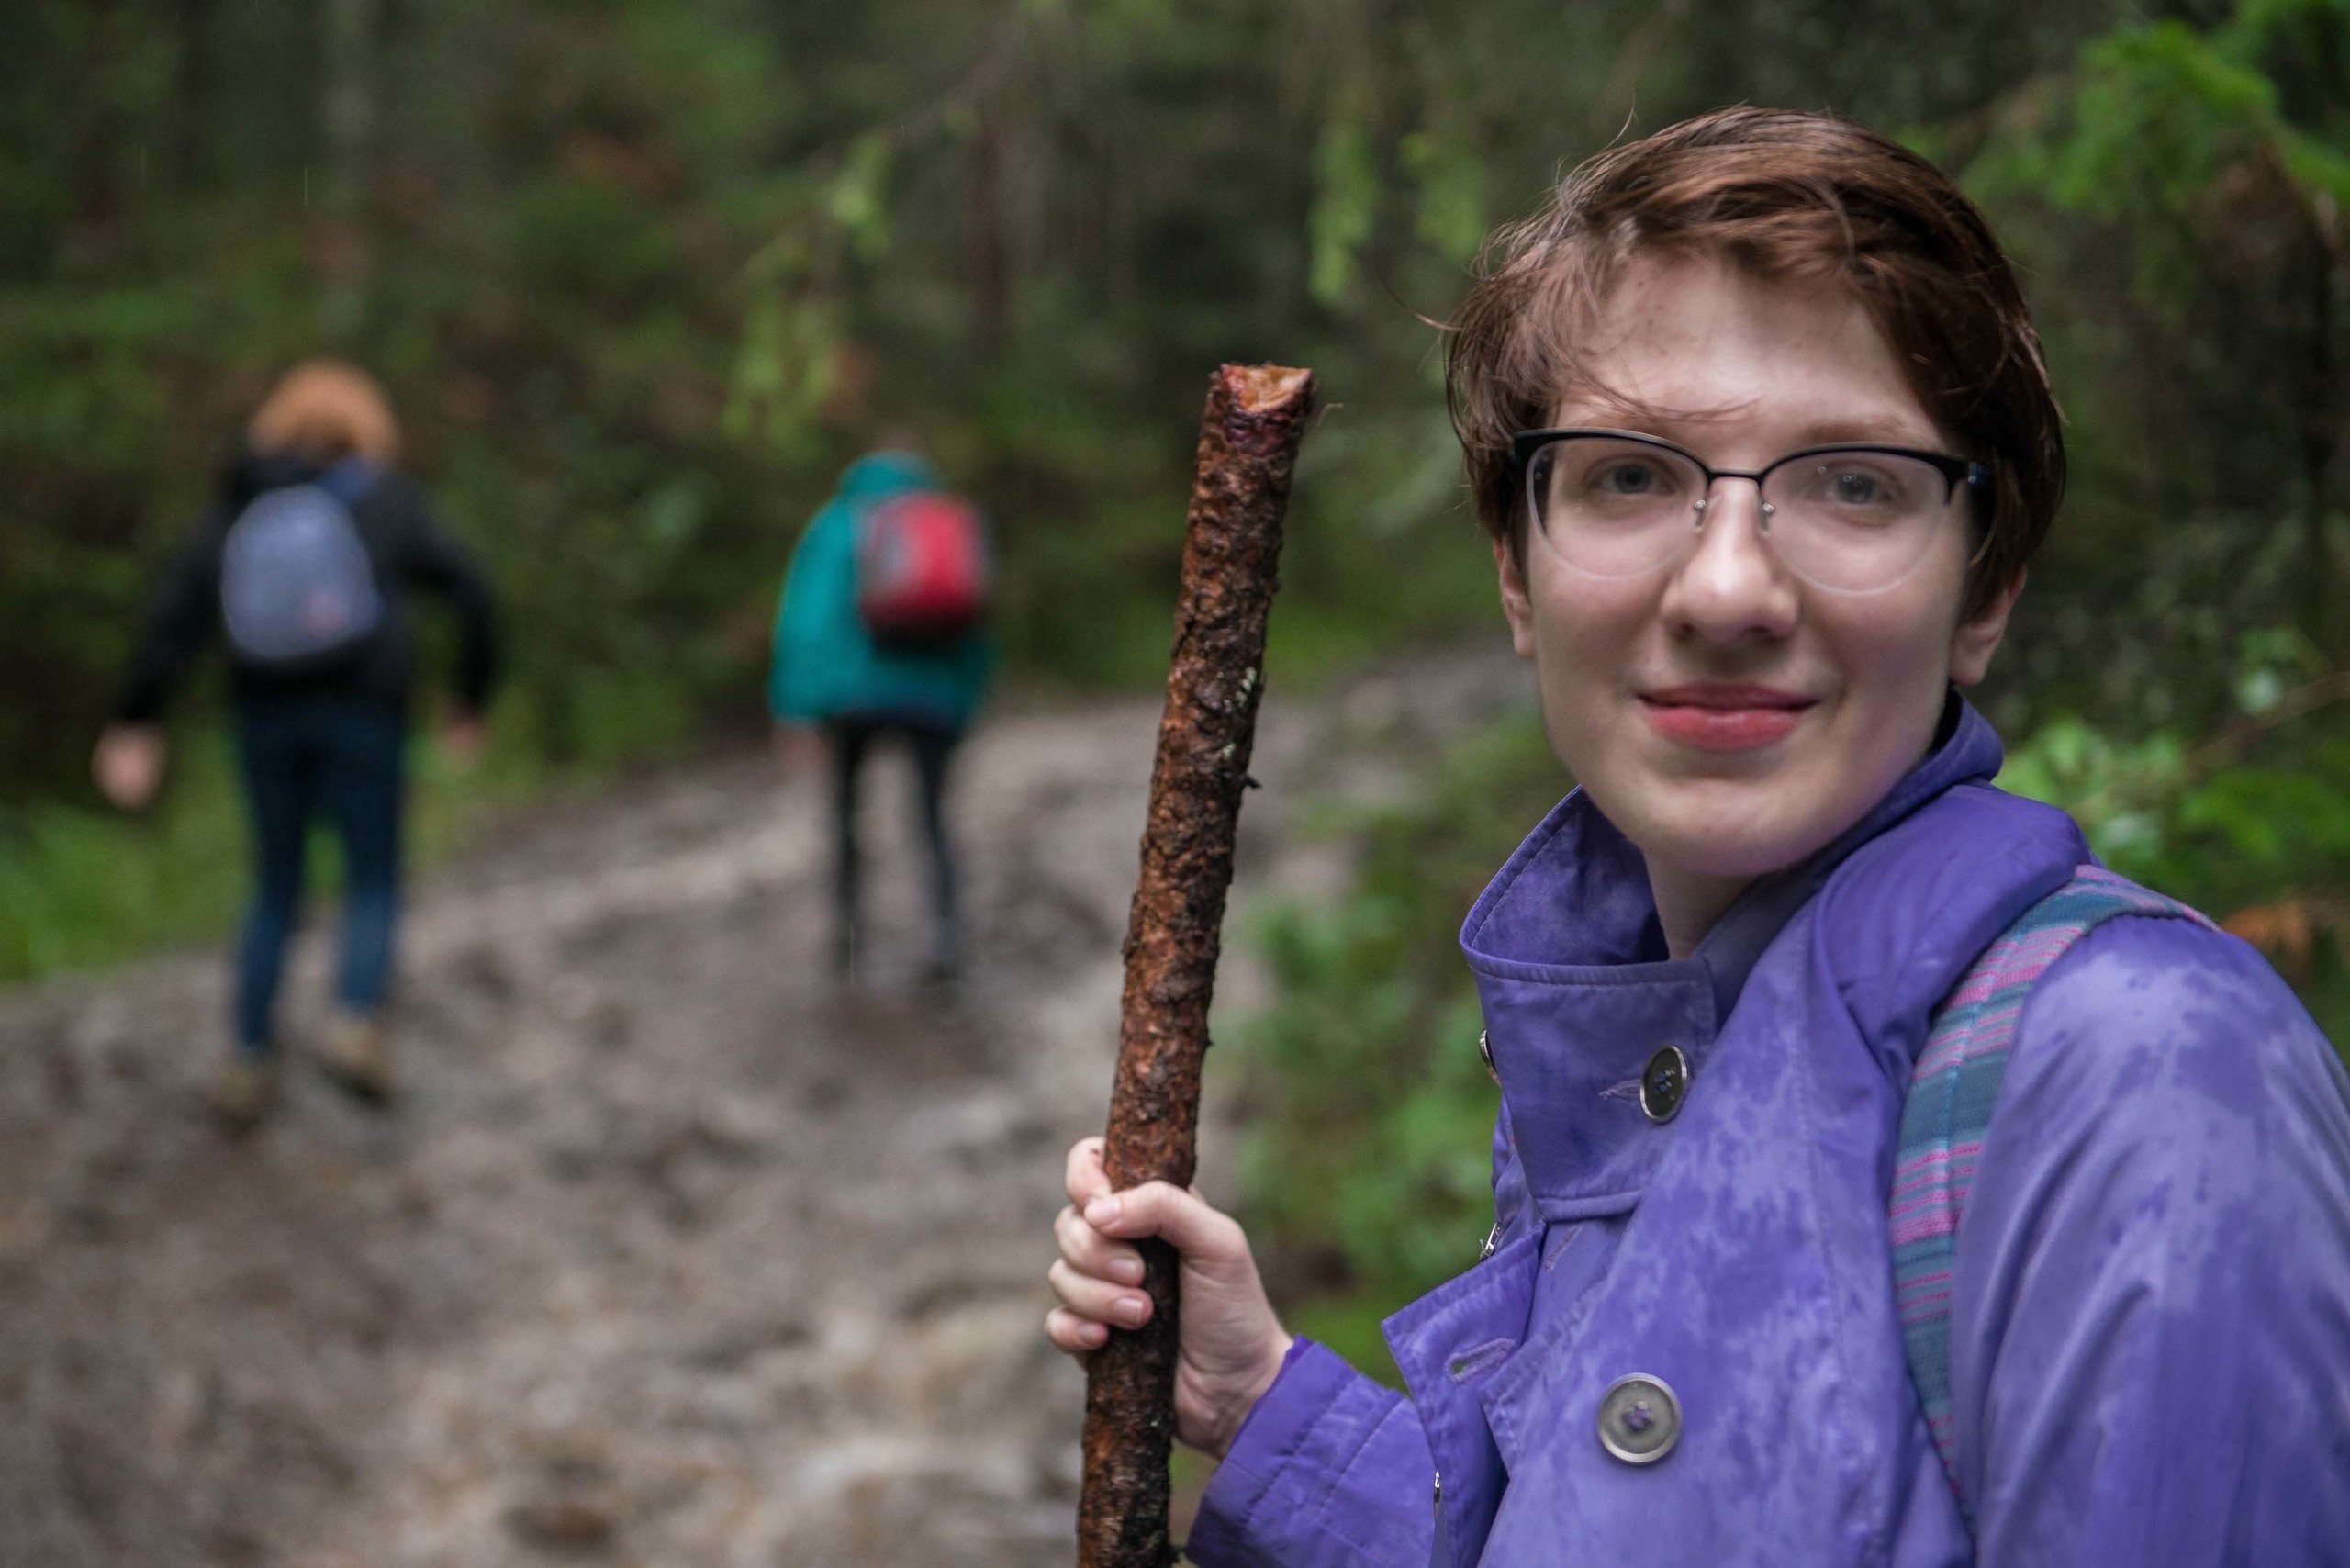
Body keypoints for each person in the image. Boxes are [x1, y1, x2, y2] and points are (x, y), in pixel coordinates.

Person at [1046, 109, 2350, 1564]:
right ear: (1518, 571)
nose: (1727, 590)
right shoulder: (1636, 1052)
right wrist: (1269, 1411)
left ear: (1985, 590)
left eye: (1854, 482)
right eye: (1631, 475)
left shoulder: (2143, 1078)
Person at [94, 360, 498, 1127]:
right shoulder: (382, 497)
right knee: (372, 875)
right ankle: (354, 1019)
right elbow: (472, 591)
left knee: (275, 884)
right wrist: (470, 698)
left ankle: (247, 1055)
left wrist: (136, 720)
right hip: (368, 715)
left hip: (264, 719)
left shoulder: (242, 502)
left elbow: (173, 618)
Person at [769, 444, 994, 982]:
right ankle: (944, 936)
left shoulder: (838, 524)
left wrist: (794, 706)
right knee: (933, 816)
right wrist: (967, 700)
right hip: (934, 697)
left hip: (851, 696)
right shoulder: (949, 521)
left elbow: (807, 621)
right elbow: (977, 627)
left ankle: (848, 939)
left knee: (847, 813)